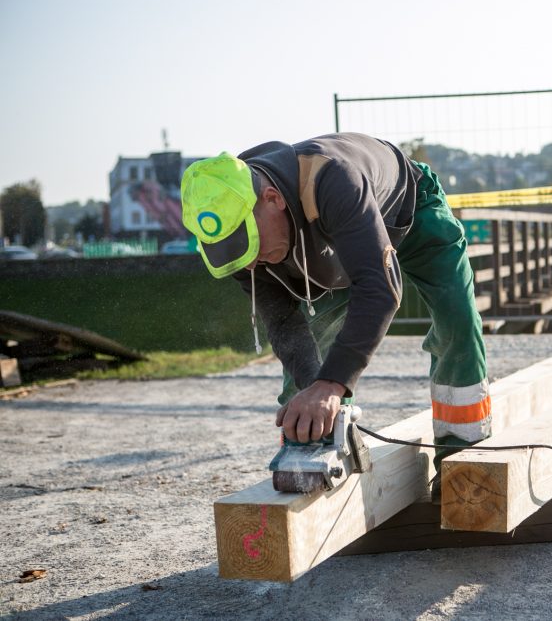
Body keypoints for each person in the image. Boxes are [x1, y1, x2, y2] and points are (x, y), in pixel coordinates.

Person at [179, 133, 491, 477]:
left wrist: (332, 385)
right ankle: (309, 459)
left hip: (410, 210)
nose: (250, 263)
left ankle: (463, 460)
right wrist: (318, 392)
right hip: (333, 244)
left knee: (457, 321)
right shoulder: (240, 236)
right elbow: (283, 322)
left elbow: (380, 287)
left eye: (250, 244)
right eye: (238, 253)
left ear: (273, 199)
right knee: (311, 359)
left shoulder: (332, 179)